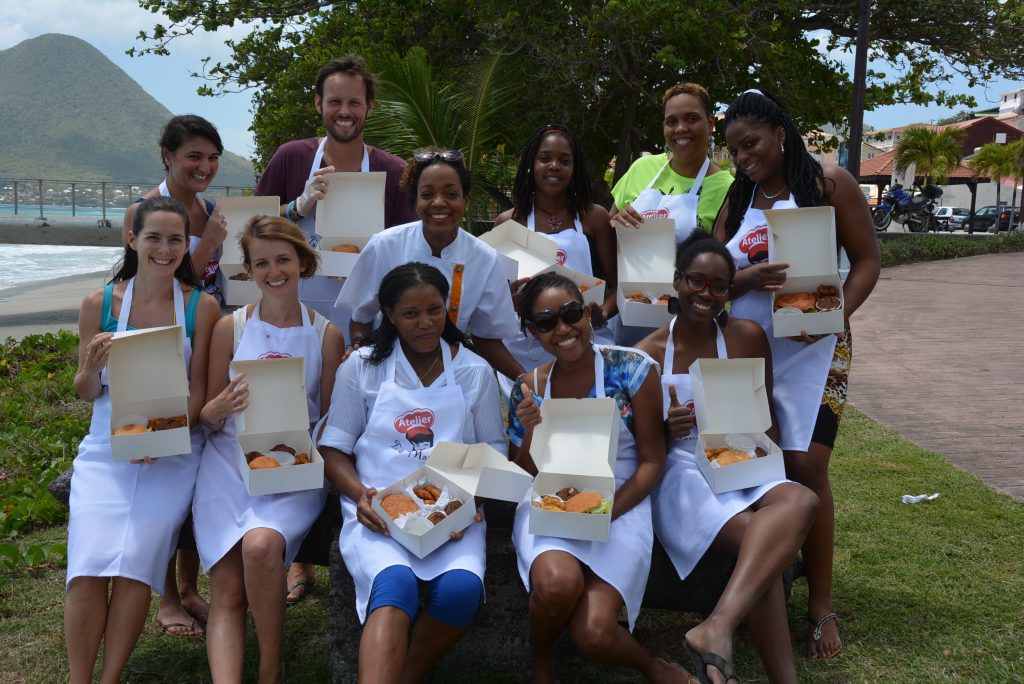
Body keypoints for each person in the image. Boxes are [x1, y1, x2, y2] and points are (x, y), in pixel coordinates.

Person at [714, 88, 880, 661]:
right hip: (749, 348)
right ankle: (762, 585)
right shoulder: (737, 201)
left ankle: (819, 605)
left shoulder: (832, 186)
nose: (743, 158)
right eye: (735, 150)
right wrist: (744, 280)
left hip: (815, 349)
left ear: (781, 133)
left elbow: (867, 261)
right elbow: (706, 279)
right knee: (754, 463)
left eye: (751, 144)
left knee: (807, 465)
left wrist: (834, 316)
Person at [637, 230, 819, 684]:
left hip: (740, 454)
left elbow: (768, 418)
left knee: (801, 500)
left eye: (719, 286)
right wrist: (664, 428)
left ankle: (716, 628)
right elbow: (637, 447)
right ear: (677, 281)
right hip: (680, 471)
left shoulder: (747, 336)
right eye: (696, 281)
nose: (707, 294)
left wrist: (764, 466)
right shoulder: (647, 354)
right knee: (759, 544)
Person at [318, 263, 505, 683]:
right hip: (379, 509)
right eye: (410, 314)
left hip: (453, 510)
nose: (425, 323)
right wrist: (361, 495)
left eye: (435, 311)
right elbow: (333, 448)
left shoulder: (474, 371)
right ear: (388, 313)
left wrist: (470, 502)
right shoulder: (362, 367)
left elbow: (493, 448)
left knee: (461, 592)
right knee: (395, 585)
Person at [65, 196, 220, 683]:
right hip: (106, 448)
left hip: (173, 452)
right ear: (132, 240)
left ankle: (109, 679)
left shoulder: (201, 306)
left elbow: (199, 390)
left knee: (135, 563)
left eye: (176, 239)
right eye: (154, 237)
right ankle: (78, 679)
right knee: (88, 564)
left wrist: (167, 432)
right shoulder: (100, 304)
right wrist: (90, 370)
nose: (165, 248)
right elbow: (88, 392)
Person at [508, 272, 691, 684]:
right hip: (550, 501)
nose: (563, 329)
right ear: (532, 332)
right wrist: (532, 430)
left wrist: (606, 513)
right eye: (545, 323)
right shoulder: (528, 387)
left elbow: (651, 462)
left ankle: (653, 668)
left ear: (589, 313)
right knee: (557, 584)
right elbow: (522, 472)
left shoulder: (632, 369)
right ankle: (542, 665)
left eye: (571, 314)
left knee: (595, 633)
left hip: (622, 499)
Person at [191, 215, 344, 683]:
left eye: (283, 259)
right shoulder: (227, 328)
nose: (274, 271)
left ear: (303, 261)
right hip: (228, 464)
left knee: (261, 547)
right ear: (249, 271)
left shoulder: (327, 335)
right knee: (226, 587)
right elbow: (207, 416)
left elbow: (331, 422)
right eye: (262, 263)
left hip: (293, 467)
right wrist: (218, 405)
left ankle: (270, 670)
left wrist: (301, 442)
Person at [254, 54, 417, 331]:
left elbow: (410, 244)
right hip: (294, 313)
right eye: (335, 102)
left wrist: (367, 262)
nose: (345, 112)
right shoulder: (292, 156)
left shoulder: (393, 171)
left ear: (370, 106)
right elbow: (252, 225)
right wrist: (296, 208)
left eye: (354, 102)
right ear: (319, 103)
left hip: (367, 318)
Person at [338, 149, 523, 380]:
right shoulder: (384, 245)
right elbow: (360, 319)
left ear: (466, 201)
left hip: (450, 373)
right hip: (388, 371)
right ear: (416, 201)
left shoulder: (485, 258)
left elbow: (486, 338)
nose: (438, 203)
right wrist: (360, 357)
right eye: (427, 194)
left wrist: (525, 380)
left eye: (451, 194)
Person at [609, 83, 733, 345]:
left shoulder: (726, 187)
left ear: (710, 124)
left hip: (692, 316)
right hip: (633, 307)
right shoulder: (642, 168)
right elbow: (609, 231)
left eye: (692, 119)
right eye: (671, 121)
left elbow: (722, 263)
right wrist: (617, 222)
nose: (680, 129)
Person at [493, 123, 616, 385]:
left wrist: (602, 312)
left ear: (575, 170)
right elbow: (495, 296)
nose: (554, 166)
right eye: (545, 158)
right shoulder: (508, 223)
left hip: (584, 336)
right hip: (526, 344)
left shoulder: (594, 217)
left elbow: (620, 285)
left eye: (564, 160)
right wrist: (511, 302)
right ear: (531, 164)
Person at [123, 115, 229, 306]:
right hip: (172, 328)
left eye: (213, 158)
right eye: (194, 157)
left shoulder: (211, 212)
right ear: (167, 155)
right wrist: (208, 244)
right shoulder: (140, 212)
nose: (205, 167)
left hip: (212, 326)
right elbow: (146, 290)